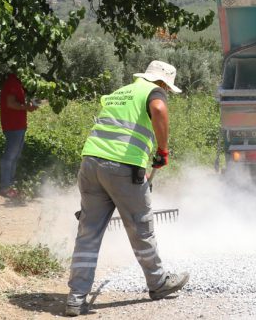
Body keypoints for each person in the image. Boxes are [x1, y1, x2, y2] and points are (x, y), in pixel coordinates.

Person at [65, 61, 189, 317]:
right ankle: (158, 283)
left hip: (90, 163)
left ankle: (76, 298)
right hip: (122, 168)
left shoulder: (122, 92)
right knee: (141, 227)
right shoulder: (154, 93)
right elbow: (158, 108)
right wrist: (163, 151)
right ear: (164, 83)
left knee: (88, 234)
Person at [0, 73, 38, 198]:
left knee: (14, 157)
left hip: (19, 126)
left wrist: (29, 105)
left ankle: (10, 185)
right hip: (13, 126)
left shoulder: (19, 83)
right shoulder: (12, 82)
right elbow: (10, 103)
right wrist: (27, 107)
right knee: (9, 157)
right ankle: (6, 187)